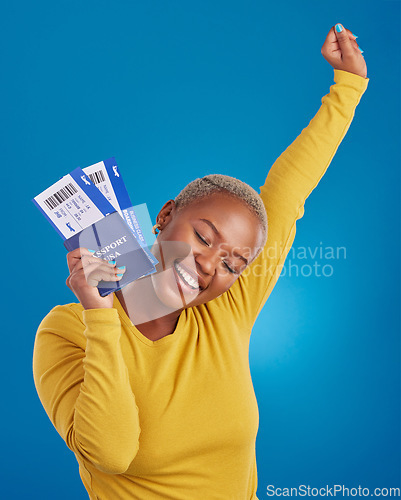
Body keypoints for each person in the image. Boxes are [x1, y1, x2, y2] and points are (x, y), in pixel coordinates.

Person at [33, 24, 368, 500]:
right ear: (166, 215)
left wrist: (349, 87)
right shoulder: (65, 332)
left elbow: (288, 192)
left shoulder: (225, 310)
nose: (212, 265)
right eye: (203, 237)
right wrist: (101, 316)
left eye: (234, 263)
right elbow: (111, 453)